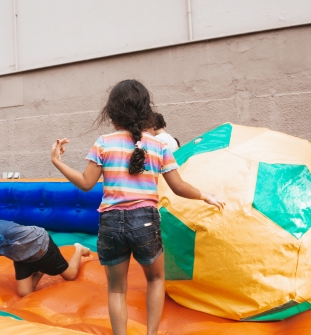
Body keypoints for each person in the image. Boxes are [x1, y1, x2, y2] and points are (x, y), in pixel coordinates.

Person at [50, 79, 225, 335]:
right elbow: (178, 186)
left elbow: (86, 183)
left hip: (110, 223)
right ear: (145, 110)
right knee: (155, 279)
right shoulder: (158, 146)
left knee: (117, 289)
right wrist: (205, 195)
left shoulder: (103, 143)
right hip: (144, 222)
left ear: (111, 112)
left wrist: (57, 161)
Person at [0, 196, 91, 307]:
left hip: (39, 246)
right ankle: (39, 270)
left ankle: (78, 249)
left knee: (70, 275)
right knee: (25, 293)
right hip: (21, 256)